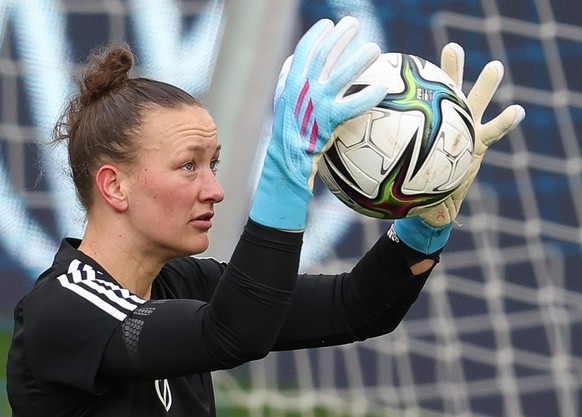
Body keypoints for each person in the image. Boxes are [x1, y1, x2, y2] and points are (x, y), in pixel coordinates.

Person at [6, 16, 524, 417]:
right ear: (114, 185)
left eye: (214, 164)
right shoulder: (65, 310)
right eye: (188, 166)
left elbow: (357, 307)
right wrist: (288, 167)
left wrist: (424, 224)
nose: (215, 189)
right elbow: (234, 332)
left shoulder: (178, 281)